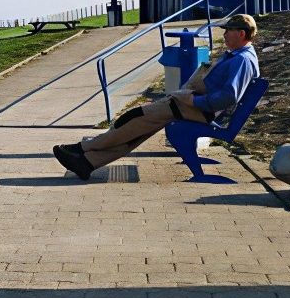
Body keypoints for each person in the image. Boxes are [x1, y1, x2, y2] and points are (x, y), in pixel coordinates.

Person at [52, 12, 260, 179]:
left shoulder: (242, 60)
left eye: (228, 31)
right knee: (138, 128)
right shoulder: (240, 56)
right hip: (192, 107)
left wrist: (193, 100)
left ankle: (82, 149)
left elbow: (228, 96)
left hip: (196, 109)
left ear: (241, 34)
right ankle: (87, 162)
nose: (224, 35)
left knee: (134, 118)